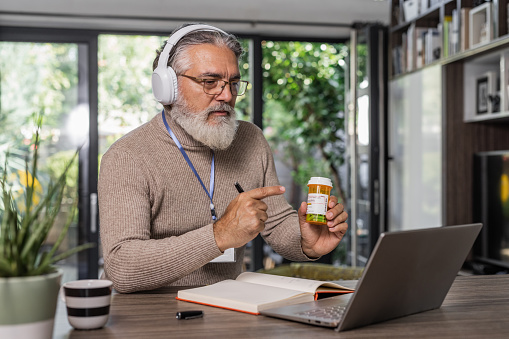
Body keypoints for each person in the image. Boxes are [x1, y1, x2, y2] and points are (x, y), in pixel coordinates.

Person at [98, 23, 348, 293]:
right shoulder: (127, 157)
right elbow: (122, 267)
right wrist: (219, 234)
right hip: (146, 314)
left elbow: (276, 223)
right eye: (209, 82)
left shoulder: (251, 141)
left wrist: (306, 242)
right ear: (166, 87)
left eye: (233, 83)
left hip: (225, 303)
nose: (227, 95)